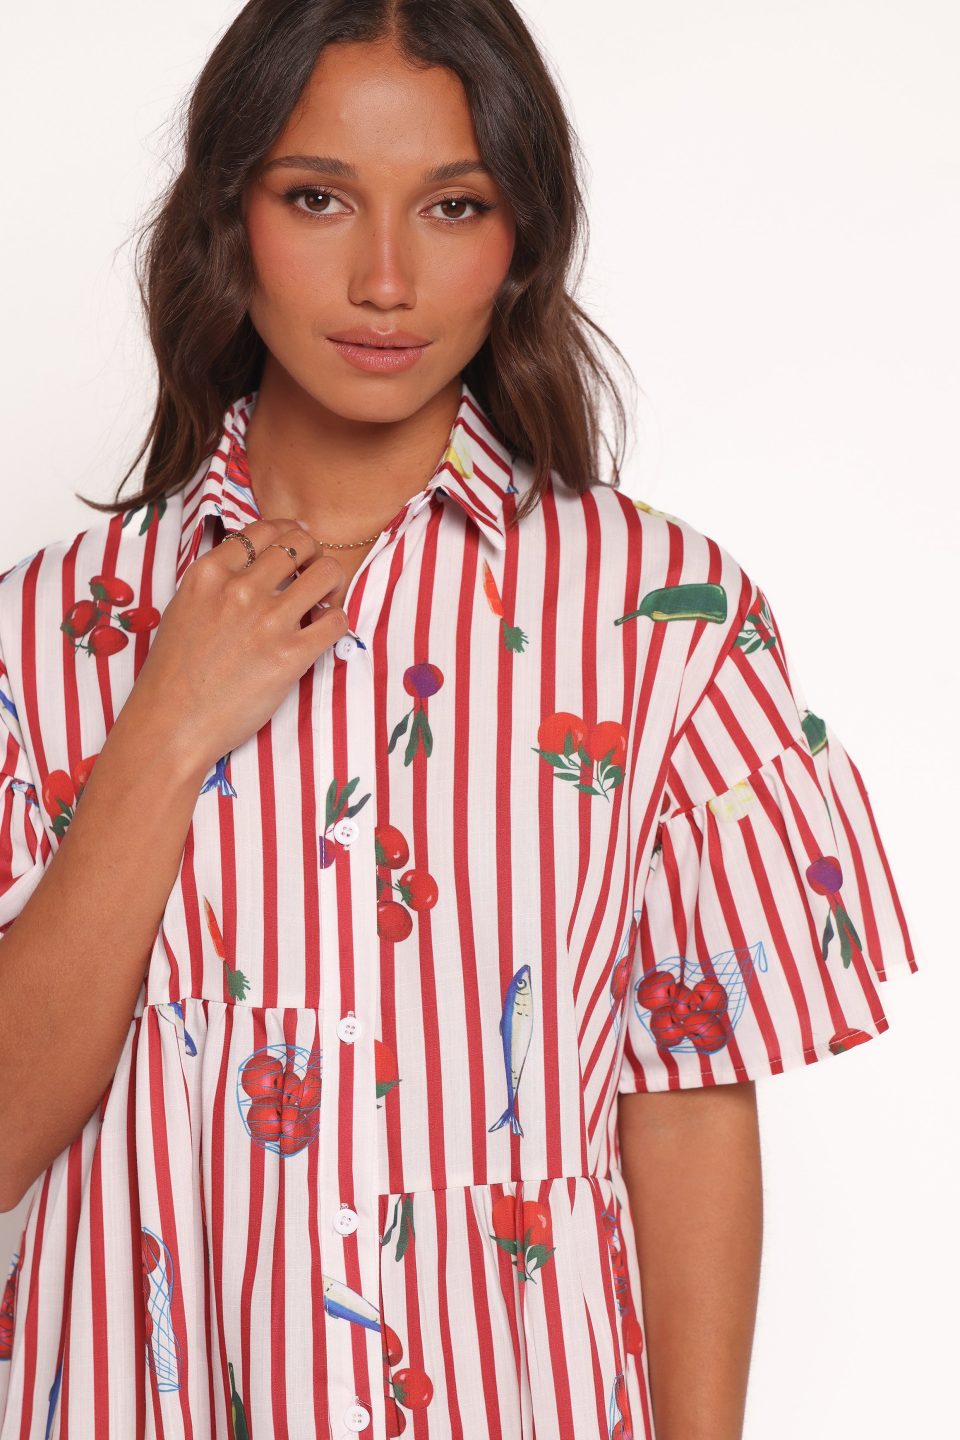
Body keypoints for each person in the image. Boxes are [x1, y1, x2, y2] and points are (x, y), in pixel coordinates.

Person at [0, 2, 918, 1437]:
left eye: (452, 206)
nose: (385, 279)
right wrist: (168, 728)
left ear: (522, 238)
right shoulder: (50, 630)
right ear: (228, 219)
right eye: (318, 198)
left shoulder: (661, 617)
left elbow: (686, 1101)